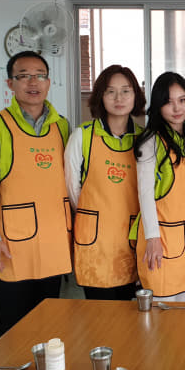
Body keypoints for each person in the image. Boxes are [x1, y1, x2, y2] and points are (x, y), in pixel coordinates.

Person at [0, 50, 72, 334]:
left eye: (40, 75)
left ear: (49, 82)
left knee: (52, 325)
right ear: (10, 84)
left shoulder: (62, 126)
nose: (33, 82)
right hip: (12, 245)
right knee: (16, 330)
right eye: (24, 76)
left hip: (54, 239)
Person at [64, 65, 146, 300]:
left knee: (131, 318)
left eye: (126, 91)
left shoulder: (144, 139)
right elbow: (72, 188)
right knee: (99, 316)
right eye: (110, 91)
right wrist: (95, 216)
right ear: (100, 96)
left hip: (130, 239)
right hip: (95, 242)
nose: (118, 98)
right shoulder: (82, 136)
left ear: (135, 96)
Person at [131, 72, 185, 302]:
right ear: (158, 106)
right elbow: (145, 193)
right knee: (162, 309)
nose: (177, 108)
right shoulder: (151, 141)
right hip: (161, 241)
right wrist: (152, 238)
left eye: (182, 100)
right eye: (168, 102)